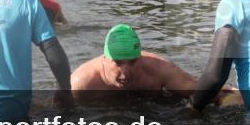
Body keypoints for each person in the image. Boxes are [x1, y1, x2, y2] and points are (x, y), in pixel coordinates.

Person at [72, 24, 238, 105]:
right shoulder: (81, 82)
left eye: (132, 62)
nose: (125, 72)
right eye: (117, 63)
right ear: (104, 59)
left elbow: (202, 91)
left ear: (141, 58)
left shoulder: (159, 69)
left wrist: (228, 95)